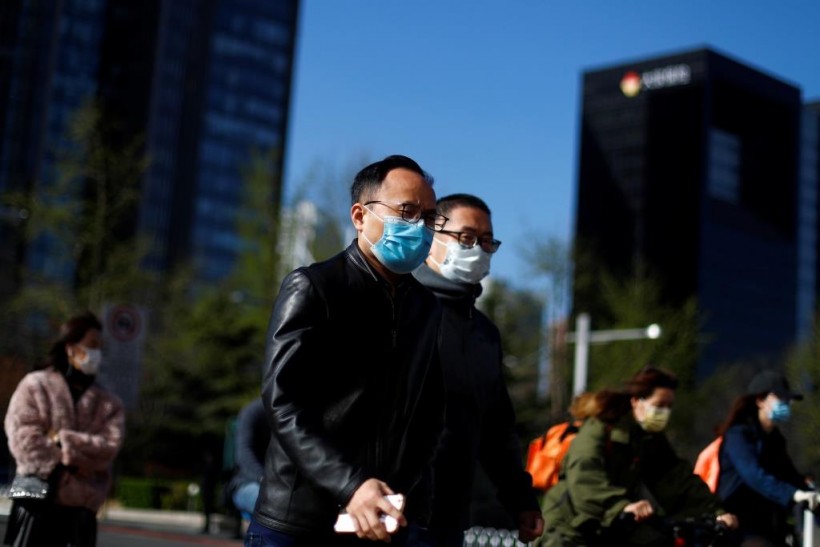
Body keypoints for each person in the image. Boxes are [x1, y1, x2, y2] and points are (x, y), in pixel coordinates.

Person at [248, 155, 447, 546]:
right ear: (360, 216)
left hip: (379, 522)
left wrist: (395, 494)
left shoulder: (426, 308)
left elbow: (428, 416)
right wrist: (353, 486)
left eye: (427, 218)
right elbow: (284, 404)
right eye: (406, 211)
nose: (418, 227)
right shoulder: (313, 287)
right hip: (297, 522)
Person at [409, 193, 543, 546]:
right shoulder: (401, 308)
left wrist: (521, 501)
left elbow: (497, 429)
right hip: (390, 511)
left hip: (450, 518)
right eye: (466, 237)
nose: (478, 249)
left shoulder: (484, 333)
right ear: (431, 234)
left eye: (487, 241)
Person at [539, 366, 738, 547]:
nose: (665, 412)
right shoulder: (598, 429)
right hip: (569, 525)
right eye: (659, 405)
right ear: (636, 401)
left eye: (669, 406)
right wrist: (621, 507)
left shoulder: (648, 439)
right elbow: (585, 477)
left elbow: (676, 480)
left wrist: (715, 513)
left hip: (613, 523)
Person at [4, 311, 125, 547]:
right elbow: (24, 440)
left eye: (100, 347)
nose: (96, 353)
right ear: (70, 348)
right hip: (34, 502)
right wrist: (79, 459)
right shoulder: (35, 385)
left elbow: (108, 448)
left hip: (80, 511)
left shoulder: (109, 402)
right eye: (91, 345)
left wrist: (61, 439)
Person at [715, 370, 816, 546]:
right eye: (780, 399)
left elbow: (789, 474)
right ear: (760, 400)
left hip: (768, 525)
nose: (786, 404)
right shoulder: (738, 435)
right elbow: (754, 475)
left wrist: (809, 490)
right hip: (738, 526)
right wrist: (792, 494)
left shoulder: (775, 439)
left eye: (788, 400)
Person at [227, 398, 269, 521]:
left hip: (282, 486)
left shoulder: (296, 412)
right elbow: (244, 454)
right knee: (268, 502)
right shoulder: (253, 411)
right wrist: (264, 479)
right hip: (248, 481)